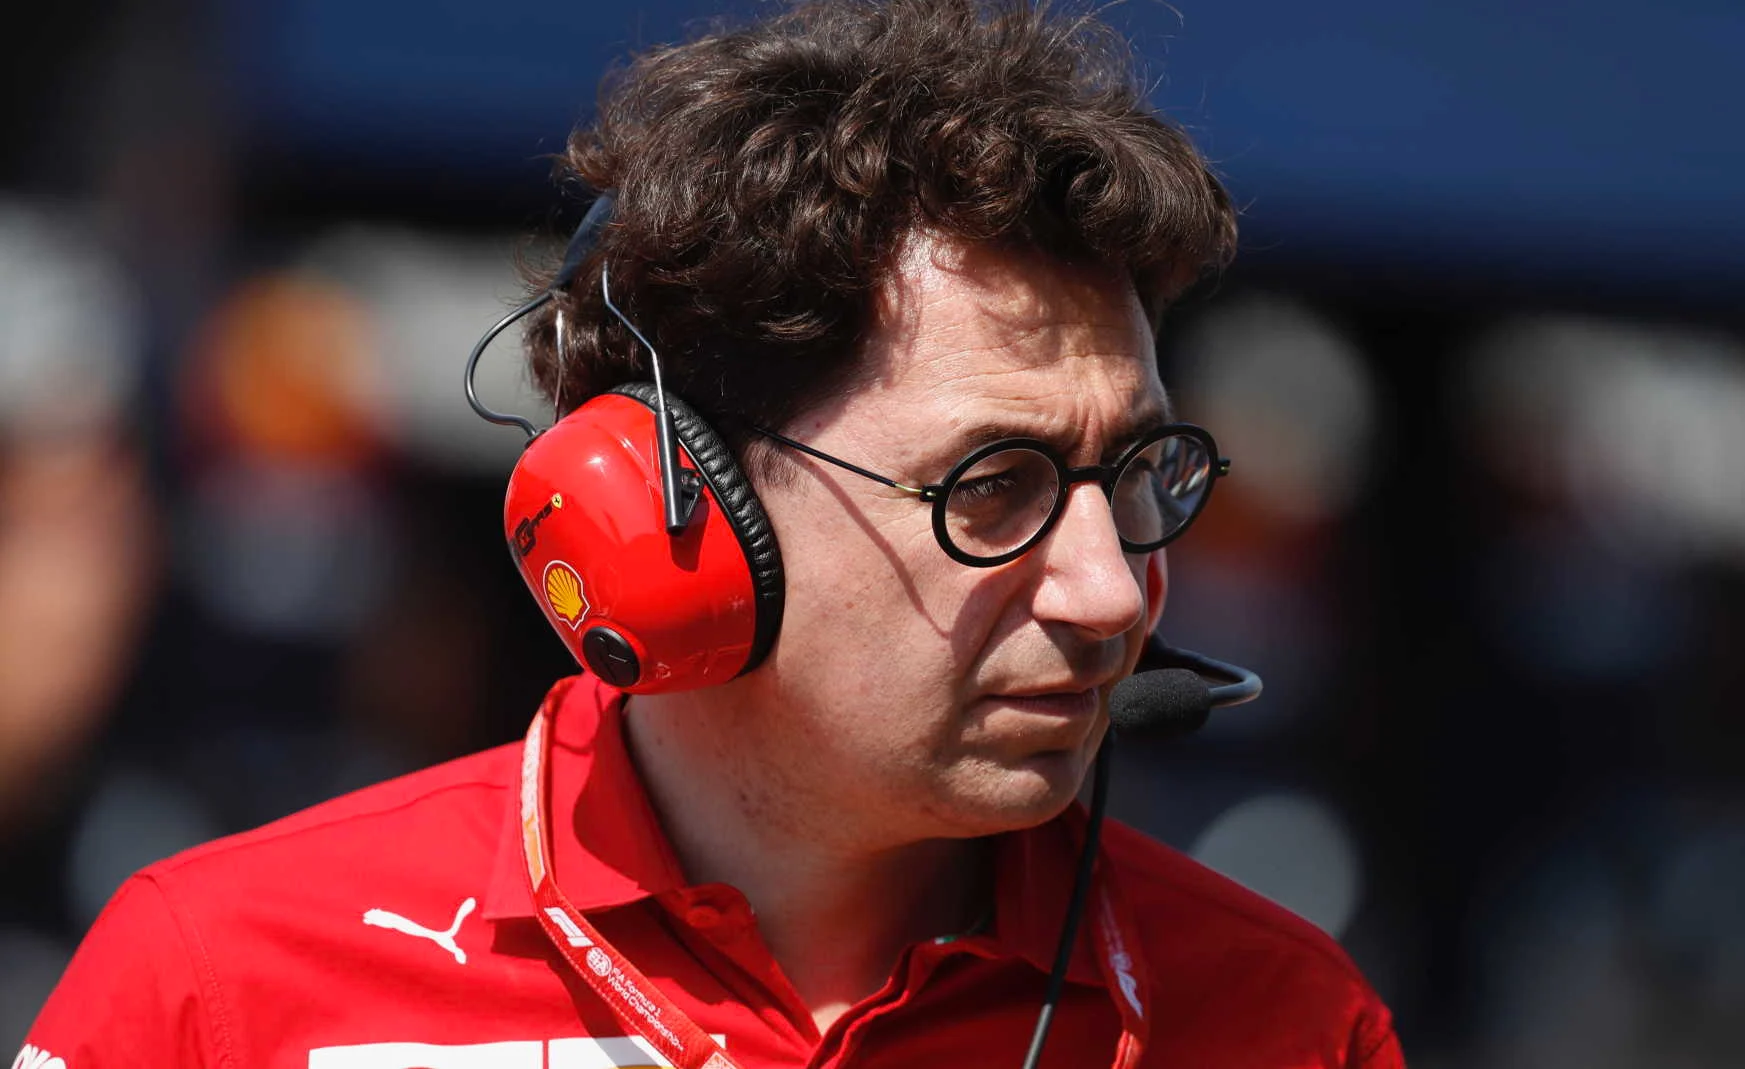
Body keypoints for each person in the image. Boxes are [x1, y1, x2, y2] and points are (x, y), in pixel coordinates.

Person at [22, 1, 1401, 1066]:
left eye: (1140, 472)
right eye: (993, 488)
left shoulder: (1284, 1021)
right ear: (673, 509)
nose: (1112, 594)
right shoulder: (222, 984)